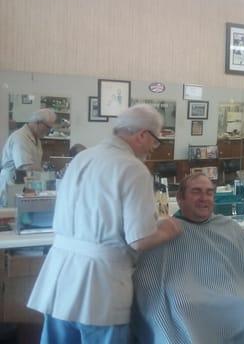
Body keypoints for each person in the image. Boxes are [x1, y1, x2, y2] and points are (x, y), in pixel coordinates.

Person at [27, 104, 183, 343]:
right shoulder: (133, 168)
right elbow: (140, 239)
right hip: (99, 288)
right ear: (142, 135)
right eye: (156, 141)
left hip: (60, 279)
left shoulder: (83, 158)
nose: (154, 148)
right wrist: (167, 230)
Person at [131, 173, 244, 344]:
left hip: (237, 300)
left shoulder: (229, 227)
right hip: (191, 304)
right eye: (196, 192)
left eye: (209, 192)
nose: (204, 198)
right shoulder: (167, 231)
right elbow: (150, 283)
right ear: (180, 198)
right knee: (183, 310)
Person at [0, 108, 56, 207]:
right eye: (48, 127)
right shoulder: (21, 137)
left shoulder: (35, 138)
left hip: (25, 183)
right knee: (11, 217)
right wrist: (47, 176)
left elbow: (35, 164)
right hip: (13, 184)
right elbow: (25, 166)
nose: (48, 132)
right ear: (38, 123)